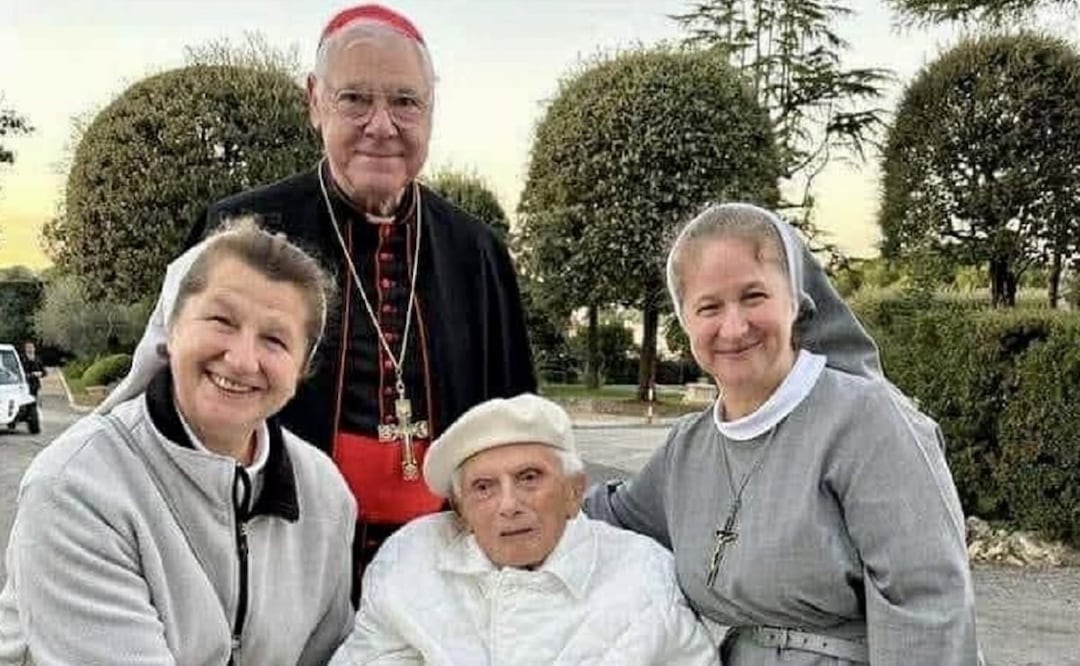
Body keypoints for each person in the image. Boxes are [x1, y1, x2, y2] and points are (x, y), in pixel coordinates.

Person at [185, 3, 535, 566]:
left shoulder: (478, 252)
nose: (382, 125)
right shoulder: (242, 233)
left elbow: (519, 425)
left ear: (431, 110)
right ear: (314, 101)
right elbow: (180, 398)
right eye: (355, 99)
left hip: (450, 563)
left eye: (405, 102)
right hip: (280, 553)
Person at [584, 203, 979, 664]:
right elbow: (602, 519)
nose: (734, 327)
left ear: (795, 301)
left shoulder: (868, 421)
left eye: (754, 297)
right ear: (686, 321)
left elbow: (928, 608)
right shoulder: (688, 448)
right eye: (709, 307)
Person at [0, 219, 357, 665]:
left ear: (302, 368)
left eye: (275, 340)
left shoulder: (325, 495)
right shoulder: (75, 489)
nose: (242, 360)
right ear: (171, 329)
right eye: (222, 321)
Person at [330, 393, 718, 665]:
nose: (509, 504)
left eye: (529, 478)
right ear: (461, 511)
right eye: (483, 487)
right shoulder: (411, 562)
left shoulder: (642, 574)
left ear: (574, 492)